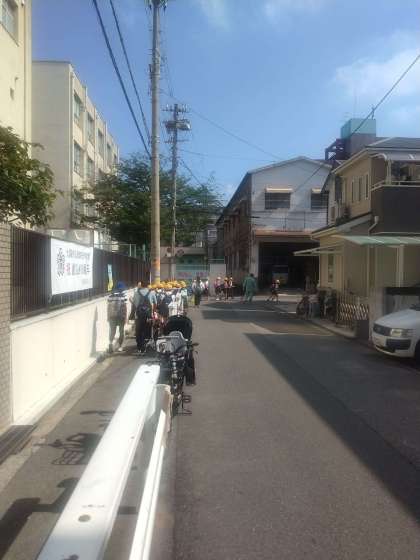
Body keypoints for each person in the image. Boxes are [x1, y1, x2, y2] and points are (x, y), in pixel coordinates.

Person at [132, 281, 156, 354]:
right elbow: (155, 303)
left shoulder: (136, 293)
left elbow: (134, 304)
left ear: (141, 285)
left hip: (138, 316)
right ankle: (145, 346)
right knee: (147, 330)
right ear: (147, 285)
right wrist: (153, 312)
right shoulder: (152, 292)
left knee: (139, 331)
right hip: (148, 316)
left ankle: (139, 347)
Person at [107, 281, 128, 353]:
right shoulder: (124, 296)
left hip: (112, 316)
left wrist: (108, 316)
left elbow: (108, 307)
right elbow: (125, 307)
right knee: (121, 331)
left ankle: (110, 343)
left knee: (112, 331)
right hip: (121, 316)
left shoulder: (110, 296)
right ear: (121, 289)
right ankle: (120, 347)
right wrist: (126, 317)